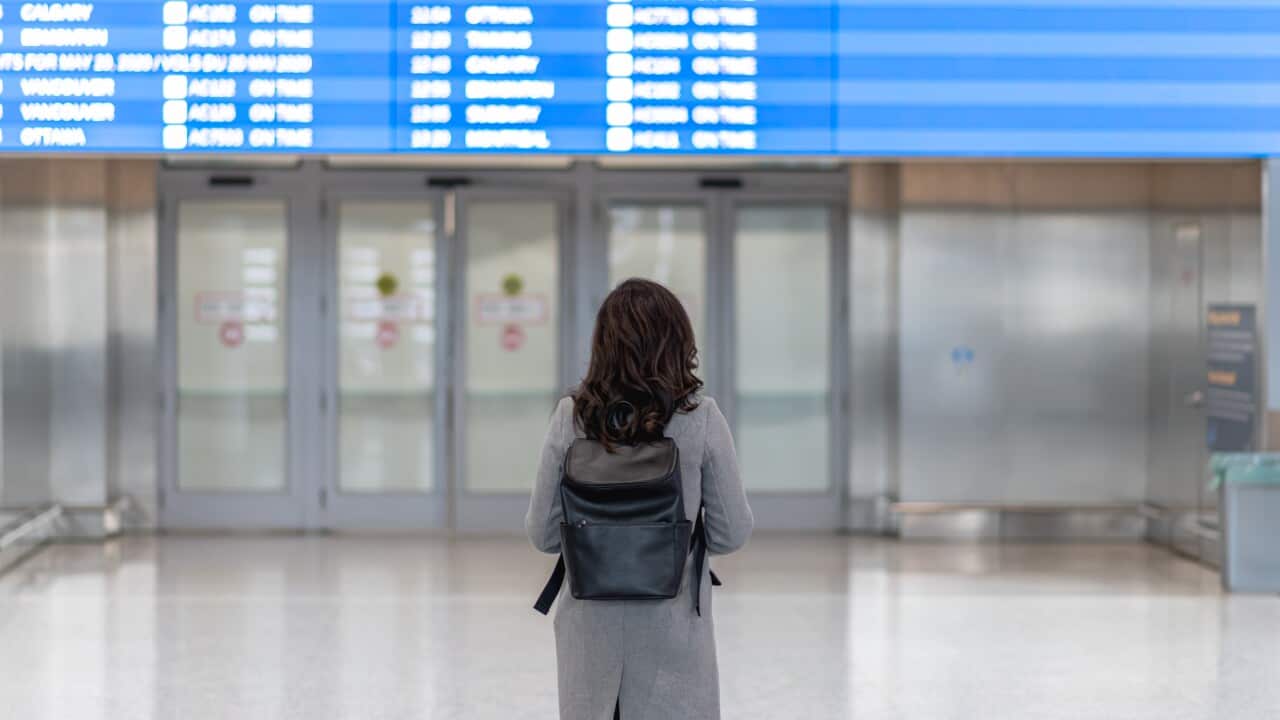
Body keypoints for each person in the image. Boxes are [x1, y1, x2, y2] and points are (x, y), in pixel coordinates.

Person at [526, 278, 754, 720]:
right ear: (678, 342)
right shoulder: (700, 418)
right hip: (673, 634)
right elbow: (732, 534)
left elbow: (542, 534)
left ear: (603, 344)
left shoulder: (570, 417)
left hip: (591, 636)